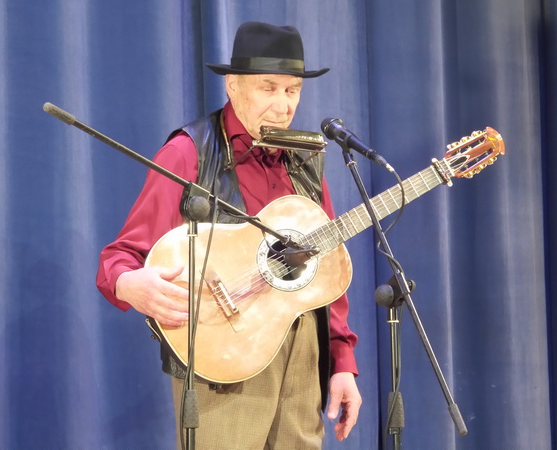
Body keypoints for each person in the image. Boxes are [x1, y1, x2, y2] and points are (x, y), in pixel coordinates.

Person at [96, 22, 362, 448]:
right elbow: (121, 256)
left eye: (292, 90)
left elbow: (325, 263)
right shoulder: (190, 152)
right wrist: (130, 284)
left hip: (302, 351)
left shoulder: (304, 160)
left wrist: (342, 361)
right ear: (233, 86)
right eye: (268, 88)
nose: (282, 105)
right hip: (225, 353)